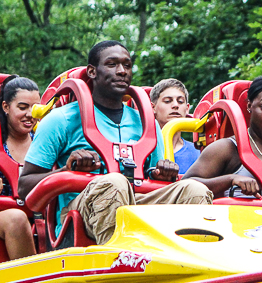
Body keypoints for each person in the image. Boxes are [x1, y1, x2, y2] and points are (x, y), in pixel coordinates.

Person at [19, 41, 212, 245]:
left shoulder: (147, 123)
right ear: (92, 72)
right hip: (78, 214)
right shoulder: (61, 119)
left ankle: (198, 265)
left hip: (136, 203)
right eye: (112, 64)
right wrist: (67, 171)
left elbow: (155, 180)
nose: (122, 71)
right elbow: (25, 187)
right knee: (115, 182)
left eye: (127, 66)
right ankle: (118, 260)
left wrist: (161, 173)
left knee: (195, 189)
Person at [0, 76, 40, 260]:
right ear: (6, 107)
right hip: (8, 215)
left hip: (40, 214)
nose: (31, 114)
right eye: (23, 108)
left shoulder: (45, 138)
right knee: (16, 219)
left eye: (36, 108)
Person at [150, 78, 199, 174]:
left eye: (180, 101)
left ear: (187, 108)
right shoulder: (144, 148)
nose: (175, 105)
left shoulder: (199, 152)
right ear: (153, 107)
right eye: (168, 101)